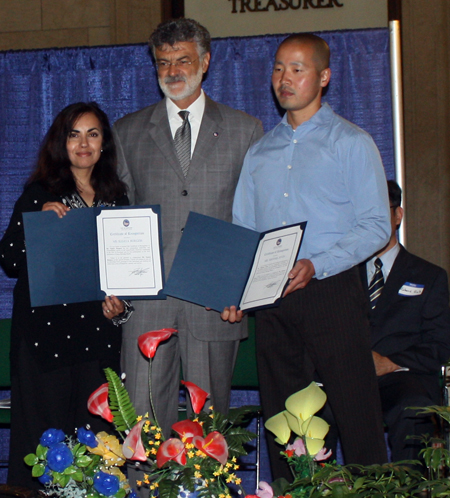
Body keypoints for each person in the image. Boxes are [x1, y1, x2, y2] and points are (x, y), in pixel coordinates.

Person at [222, 33, 391, 478]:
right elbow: (243, 229)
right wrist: (236, 288)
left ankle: (370, 489)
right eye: (278, 68)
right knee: (283, 419)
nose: (285, 78)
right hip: (273, 297)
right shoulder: (260, 151)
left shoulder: (351, 142)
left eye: (298, 68)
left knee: (355, 412)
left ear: (324, 76)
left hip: (332, 291)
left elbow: (376, 225)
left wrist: (319, 263)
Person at [113, 16, 263, 473]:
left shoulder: (245, 129)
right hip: (146, 304)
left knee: (209, 426)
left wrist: (243, 291)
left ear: (206, 62)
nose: (173, 70)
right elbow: (119, 218)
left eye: (183, 60)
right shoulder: (127, 131)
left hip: (214, 302)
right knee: (140, 426)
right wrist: (113, 283)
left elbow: (251, 222)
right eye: (163, 62)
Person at [0, 102, 129, 490]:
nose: (83, 143)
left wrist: (120, 308)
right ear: (61, 142)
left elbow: (125, 273)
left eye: (93, 133)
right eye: (74, 134)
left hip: (97, 341)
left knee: (96, 444)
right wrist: (38, 222)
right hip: (46, 343)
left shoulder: (117, 196)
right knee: (46, 441)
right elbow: (8, 257)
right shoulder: (40, 193)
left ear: (104, 143)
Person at [361, 180, 450, 463]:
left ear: (397, 216)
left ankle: (408, 490)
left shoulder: (429, 276)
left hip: (403, 377)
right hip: (347, 377)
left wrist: (390, 362)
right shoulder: (339, 277)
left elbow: (440, 344)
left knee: (414, 407)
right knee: (309, 410)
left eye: (379, 211)